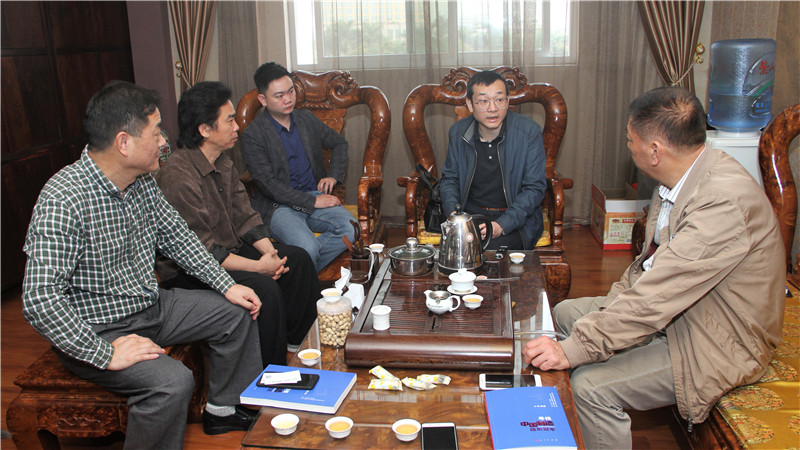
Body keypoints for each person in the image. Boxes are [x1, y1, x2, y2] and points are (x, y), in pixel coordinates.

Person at [522, 87, 785, 449]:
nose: (629, 147)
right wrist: (597, 328)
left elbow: (658, 295)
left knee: (591, 387)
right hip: (682, 313)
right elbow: (646, 270)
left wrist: (575, 350)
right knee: (566, 313)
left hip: (717, 338)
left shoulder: (722, 203)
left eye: (631, 140)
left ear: (656, 151)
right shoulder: (682, 177)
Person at [22, 81, 265, 448]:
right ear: (124, 143)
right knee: (172, 382)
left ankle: (222, 410)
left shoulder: (142, 182)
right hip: (99, 329)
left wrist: (227, 285)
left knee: (236, 312)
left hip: (151, 306)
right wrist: (105, 353)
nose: (164, 141)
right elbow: (40, 299)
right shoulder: (64, 198)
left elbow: (179, 238)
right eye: (155, 133)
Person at [156, 81, 319, 364]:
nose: (237, 127)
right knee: (264, 287)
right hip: (190, 270)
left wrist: (270, 255)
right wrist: (259, 267)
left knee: (298, 260)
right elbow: (202, 252)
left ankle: (300, 347)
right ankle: (271, 372)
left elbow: (245, 216)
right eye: (229, 120)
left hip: (228, 250)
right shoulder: (178, 175)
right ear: (204, 129)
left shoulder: (223, 162)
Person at [240, 62, 356, 271]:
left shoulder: (305, 119)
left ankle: (295, 274)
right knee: (307, 248)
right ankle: (302, 274)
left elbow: (340, 143)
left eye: (291, 91)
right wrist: (312, 202)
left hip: (314, 194)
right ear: (263, 100)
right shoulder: (253, 135)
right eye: (279, 96)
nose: (288, 99)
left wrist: (333, 176)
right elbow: (268, 185)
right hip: (279, 207)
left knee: (351, 229)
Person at [438, 70, 547, 250]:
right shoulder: (458, 133)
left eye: (499, 100)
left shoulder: (529, 133)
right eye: (483, 101)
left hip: (515, 220)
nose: (492, 108)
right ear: (470, 104)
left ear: (508, 101)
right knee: (455, 250)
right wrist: (455, 218)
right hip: (471, 216)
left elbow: (534, 188)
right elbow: (450, 180)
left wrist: (501, 225)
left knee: (485, 251)